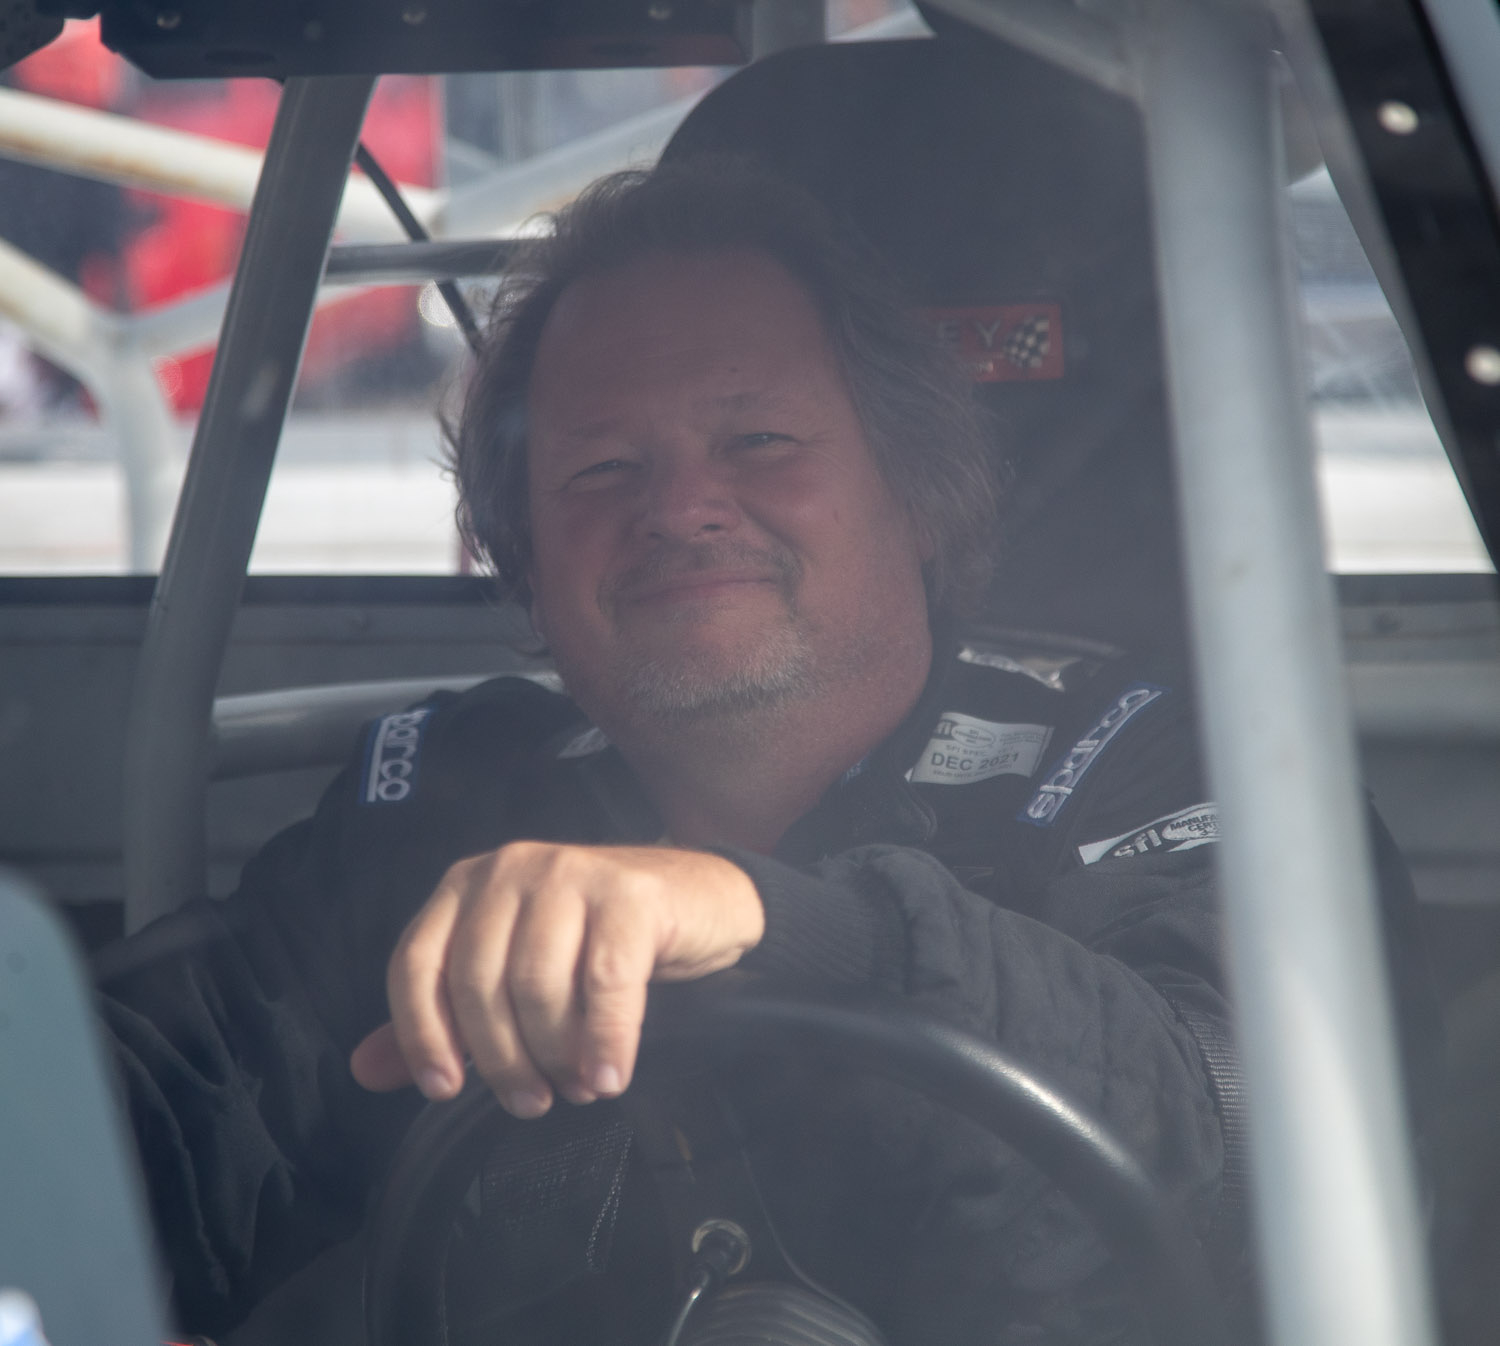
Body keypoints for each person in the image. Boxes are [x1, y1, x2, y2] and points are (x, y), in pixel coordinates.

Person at [95, 158, 1428, 1345]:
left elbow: (1251, 1116)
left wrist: (764, 920)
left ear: (920, 493)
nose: (683, 506)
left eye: (760, 440)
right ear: (527, 561)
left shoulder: (1167, 761)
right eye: (602, 470)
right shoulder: (445, 805)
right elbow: (151, 1106)